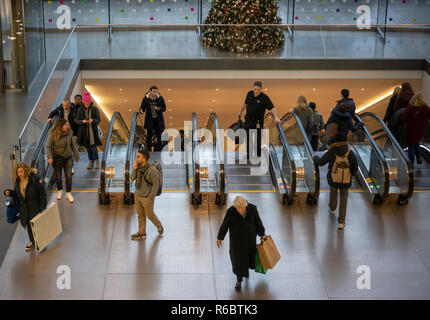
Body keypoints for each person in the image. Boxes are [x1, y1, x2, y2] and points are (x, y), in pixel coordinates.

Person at [217, 196, 266, 292]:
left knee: (248, 258)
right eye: (237, 208)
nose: (239, 210)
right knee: (238, 261)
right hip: (237, 242)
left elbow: (258, 222)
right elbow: (225, 225)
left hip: (249, 240)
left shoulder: (252, 209)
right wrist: (220, 237)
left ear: (245, 206)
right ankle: (239, 280)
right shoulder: (231, 211)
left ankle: (246, 270)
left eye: (241, 208)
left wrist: (262, 234)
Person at [313, 133, 358, 230]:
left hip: (334, 179)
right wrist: (350, 175)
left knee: (333, 193)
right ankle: (341, 222)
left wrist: (315, 158)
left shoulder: (332, 152)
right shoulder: (350, 153)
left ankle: (332, 208)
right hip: (346, 180)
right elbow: (355, 167)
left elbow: (320, 162)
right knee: (344, 199)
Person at [4, 163, 47, 252]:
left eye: (22, 171)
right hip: (24, 208)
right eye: (18, 172)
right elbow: (17, 193)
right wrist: (10, 192)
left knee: (36, 225)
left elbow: (42, 193)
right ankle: (32, 241)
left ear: (26, 170)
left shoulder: (35, 179)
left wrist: (43, 206)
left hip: (35, 206)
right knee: (28, 225)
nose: (20, 174)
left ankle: (41, 241)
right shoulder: (17, 181)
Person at [238, 81, 280, 159]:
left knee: (258, 138)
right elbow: (245, 103)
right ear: (253, 88)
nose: (256, 91)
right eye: (255, 89)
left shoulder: (264, 97)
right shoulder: (249, 94)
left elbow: (272, 108)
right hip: (248, 119)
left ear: (261, 89)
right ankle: (248, 154)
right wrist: (240, 111)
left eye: (258, 89)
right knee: (248, 137)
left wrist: (276, 117)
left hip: (258, 121)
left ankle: (258, 154)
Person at [130, 149, 164, 240]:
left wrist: (151, 197)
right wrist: (134, 169)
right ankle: (142, 233)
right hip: (138, 194)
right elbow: (132, 178)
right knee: (140, 214)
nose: (136, 158)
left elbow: (156, 185)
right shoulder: (138, 168)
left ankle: (159, 225)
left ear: (144, 159)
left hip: (147, 197)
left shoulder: (151, 170)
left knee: (149, 214)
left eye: (138, 157)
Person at [46, 119, 80, 203]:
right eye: (65, 125)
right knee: (58, 176)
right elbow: (48, 147)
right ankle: (60, 190)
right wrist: (49, 157)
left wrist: (76, 156)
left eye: (67, 125)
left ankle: (68, 193)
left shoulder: (69, 133)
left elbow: (72, 145)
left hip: (68, 157)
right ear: (60, 126)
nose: (67, 126)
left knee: (68, 176)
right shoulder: (53, 135)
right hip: (57, 158)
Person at [400, 92, 430, 166]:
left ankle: (411, 164)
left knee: (411, 146)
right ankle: (419, 159)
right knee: (417, 143)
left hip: (411, 130)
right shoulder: (425, 107)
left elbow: (403, 119)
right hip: (421, 130)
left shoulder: (410, 108)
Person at [75, 91, 102, 169]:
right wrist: (82, 121)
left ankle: (97, 161)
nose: (87, 104)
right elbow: (77, 120)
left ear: (90, 101)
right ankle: (91, 162)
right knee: (88, 148)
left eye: (88, 103)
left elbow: (98, 120)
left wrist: (92, 121)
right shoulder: (80, 110)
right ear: (83, 102)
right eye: (85, 103)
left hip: (92, 132)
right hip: (84, 133)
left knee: (93, 148)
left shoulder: (95, 109)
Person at [139, 85, 166, 152]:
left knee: (158, 136)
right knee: (149, 136)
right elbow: (142, 107)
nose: (155, 93)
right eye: (153, 91)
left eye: (156, 91)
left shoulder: (160, 98)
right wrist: (141, 111)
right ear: (150, 91)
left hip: (158, 120)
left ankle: (159, 151)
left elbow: (164, 108)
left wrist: (159, 108)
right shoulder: (145, 99)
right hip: (149, 120)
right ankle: (149, 151)